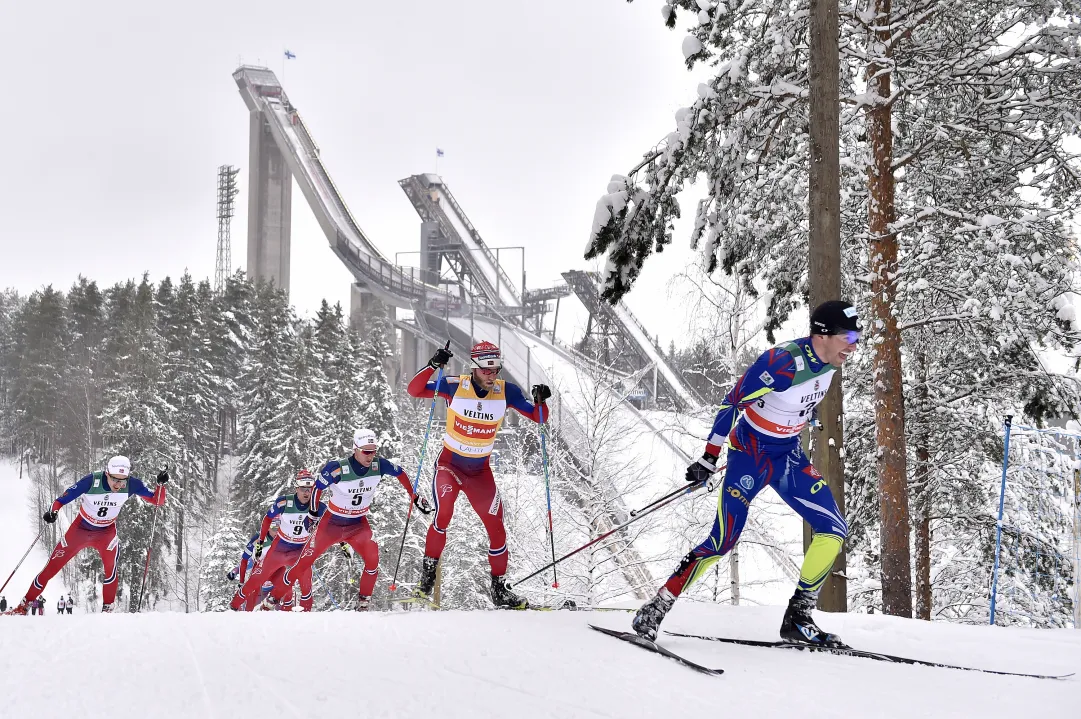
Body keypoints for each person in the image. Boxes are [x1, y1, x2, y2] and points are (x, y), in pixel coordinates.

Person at [632, 301, 860, 646]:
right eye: (849, 336)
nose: (854, 346)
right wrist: (709, 457)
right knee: (722, 541)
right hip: (749, 457)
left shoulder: (831, 362)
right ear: (824, 334)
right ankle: (656, 608)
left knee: (833, 530)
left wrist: (806, 419)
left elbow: (800, 401)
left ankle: (798, 618)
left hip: (786, 458)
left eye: (858, 337)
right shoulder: (781, 363)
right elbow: (732, 402)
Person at [406, 341, 551, 609]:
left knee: (497, 529)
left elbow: (539, 417)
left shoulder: (507, 391)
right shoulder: (454, 385)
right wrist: (433, 365)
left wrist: (541, 400)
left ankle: (499, 590)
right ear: (474, 367)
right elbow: (414, 390)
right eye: (486, 369)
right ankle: (425, 581)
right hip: (450, 466)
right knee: (444, 514)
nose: (491, 375)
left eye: (495, 369)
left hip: (480, 472)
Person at [274, 428, 427, 611]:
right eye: (366, 451)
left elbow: (400, 473)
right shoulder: (338, 468)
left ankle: (363, 603)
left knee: (372, 559)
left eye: (373, 451)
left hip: (357, 523)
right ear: (355, 448)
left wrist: (414, 496)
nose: (370, 456)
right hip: (331, 524)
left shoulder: (379, 465)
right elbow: (317, 489)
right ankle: (273, 599)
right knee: (304, 562)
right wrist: (313, 513)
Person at [7, 457, 167, 615]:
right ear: (107, 474)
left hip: (106, 532)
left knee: (111, 569)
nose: (118, 485)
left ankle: (107, 610)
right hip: (80, 530)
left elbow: (157, 501)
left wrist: (160, 485)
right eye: (115, 480)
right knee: (50, 569)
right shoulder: (92, 481)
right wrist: (53, 512)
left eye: (122, 481)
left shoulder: (132, 484)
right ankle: (23, 606)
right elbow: (61, 500)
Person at [230, 470, 325, 612]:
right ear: (296, 488)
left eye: (310, 489)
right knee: (257, 579)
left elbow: (331, 526)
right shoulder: (284, 502)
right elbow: (268, 518)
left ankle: (304, 616)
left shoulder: (319, 507)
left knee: (306, 582)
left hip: (299, 550)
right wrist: (261, 542)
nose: (307, 493)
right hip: (279, 548)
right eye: (303, 489)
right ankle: (233, 607)